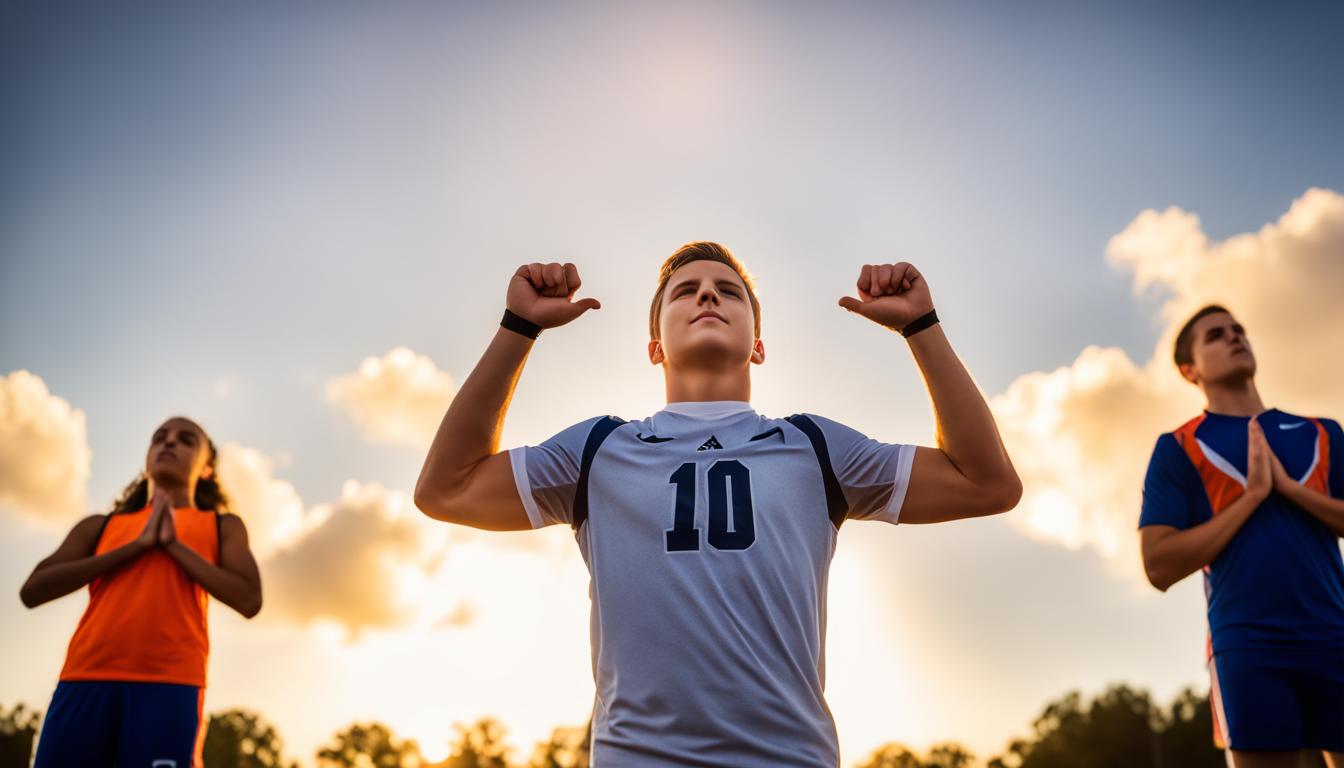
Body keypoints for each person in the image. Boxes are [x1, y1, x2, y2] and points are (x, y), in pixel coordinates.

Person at [415, 242, 1021, 766]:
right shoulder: (596, 450)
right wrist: (518, 329)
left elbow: (986, 483)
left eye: (728, 291)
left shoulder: (815, 446)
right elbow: (447, 489)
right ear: (654, 345)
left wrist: (923, 328)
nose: (708, 296)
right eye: (686, 291)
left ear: (758, 345)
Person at [1139, 305, 1344, 767]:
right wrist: (1251, 498)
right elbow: (1158, 565)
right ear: (1188, 369)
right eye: (1215, 335)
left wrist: (1289, 490)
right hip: (1248, 646)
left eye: (1239, 330)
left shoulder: (1322, 433)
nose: (1234, 337)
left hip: (1336, 635)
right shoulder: (1178, 447)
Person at [21, 416, 264, 768]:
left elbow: (249, 599)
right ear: (148, 456)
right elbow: (33, 590)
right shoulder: (100, 526)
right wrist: (137, 546)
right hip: (84, 681)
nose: (169, 443)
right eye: (159, 437)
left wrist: (173, 546)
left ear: (207, 468)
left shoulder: (222, 526)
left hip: (170, 685)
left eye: (185, 440)